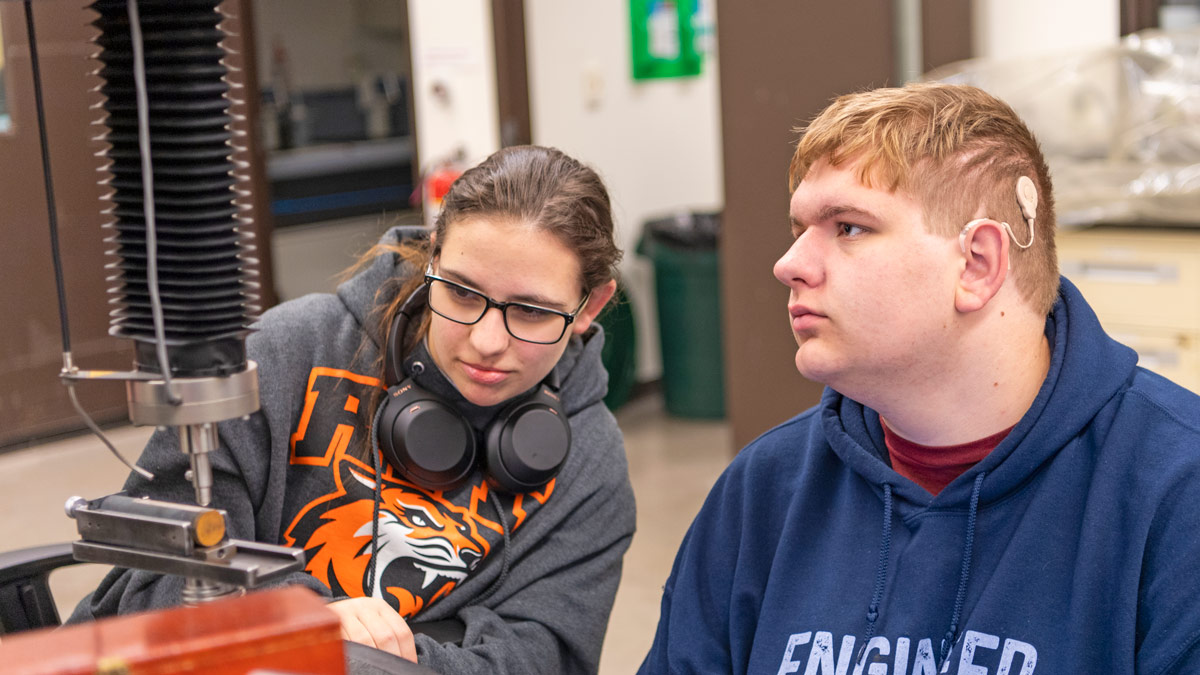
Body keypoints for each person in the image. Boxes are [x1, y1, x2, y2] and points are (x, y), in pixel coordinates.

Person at [640, 82, 1200, 674]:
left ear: (977, 264)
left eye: (848, 228)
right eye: (799, 229)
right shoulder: (762, 490)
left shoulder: (1174, 491)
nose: (789, 264)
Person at [70, 145, 636, 674]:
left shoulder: (590, 461)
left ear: (591, 307)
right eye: (462, 293)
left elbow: (542, 657)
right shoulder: (287, 351)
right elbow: (156, 577)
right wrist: (298, 621)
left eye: (532, 312)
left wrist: (363, 662)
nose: (487, 341)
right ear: (432, 256)